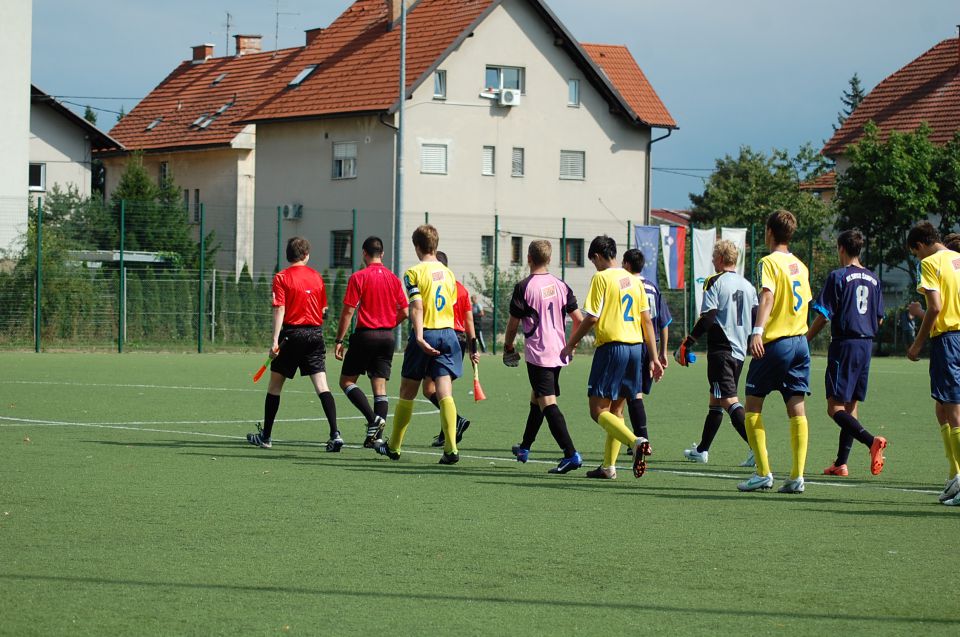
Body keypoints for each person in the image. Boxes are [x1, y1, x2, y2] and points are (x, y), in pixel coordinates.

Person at [560, 235, 664, 480]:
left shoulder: (601, 277)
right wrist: (655, 357)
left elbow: (592, 317)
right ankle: (608, 466)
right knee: (616, 410)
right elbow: (646, 320)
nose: (594, 266)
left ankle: (635, 441)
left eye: (593, 261)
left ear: (597, 256)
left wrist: (571, 343)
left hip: (612, 349)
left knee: (597, 410)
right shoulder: (634, 280)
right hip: (636, 348)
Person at [374, 224, 464, 465]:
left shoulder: (413, 272)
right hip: (448, 334)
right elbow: (451, 303)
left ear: (417, 247)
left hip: (427, 333)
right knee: (444, 391)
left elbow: (416, 306)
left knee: (407, 391)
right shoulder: (449, 273)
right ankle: (451, 449)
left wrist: (421, 336)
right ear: (435, 245)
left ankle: (393, 447)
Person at [739, 210, 812, 493]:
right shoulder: (801, 266)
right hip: (800, 343)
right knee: (796, 407)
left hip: (777, 343)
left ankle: (762, 472)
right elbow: (805, 302)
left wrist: (758, 331)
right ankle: (796, 476)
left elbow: (767, 295)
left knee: (753, 404)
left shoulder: (767, 262)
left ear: (769, 231)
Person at [247, 237, 340, 451]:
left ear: (288, 255)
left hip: (291, 335)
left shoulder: (281, 277)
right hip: (315, 335)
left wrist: (274, 340)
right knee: (322, 386)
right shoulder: (317, 277)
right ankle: (335, 434)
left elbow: (279, 308)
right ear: (306, 255)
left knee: (275, 386)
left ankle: (266, 437)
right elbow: (324, 310)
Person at [806, 230, 887, 477]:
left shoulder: (838, 276)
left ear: (841, 248)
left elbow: (824, 314)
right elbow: (879, 319)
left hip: (844, 345)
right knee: (851, 407)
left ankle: (871, 441)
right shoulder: (874, 278)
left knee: (835, 408)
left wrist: (805, 339)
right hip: (866, 346)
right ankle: (841, 463)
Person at [503, 240, 584, 474]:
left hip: (539, 353)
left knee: (547, 402)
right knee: (537, 398)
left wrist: (508, 346)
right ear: (549, 259)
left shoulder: (524, 287)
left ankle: (571, 454)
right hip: (558, 352)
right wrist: (572, 344)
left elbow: (512, 324)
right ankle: (525, 447)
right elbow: (578, 320)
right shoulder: (561, 285)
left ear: (528, 258)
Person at [675, 239, 757, 466]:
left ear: (721, 258)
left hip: (722, 350)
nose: (712, 261)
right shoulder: (748, 286)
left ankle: (756, 449)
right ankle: (702, 450)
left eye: (714, 257)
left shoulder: (714, 281)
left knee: (728, 400)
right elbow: (756, 315)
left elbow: (708, 317)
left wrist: (688, 342)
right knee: (716, 398)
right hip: (739, 352)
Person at [333, 236, 409, 448]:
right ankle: (375, 438)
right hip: (387, 337)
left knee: (346, 381)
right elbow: (405, 311)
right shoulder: (393, 279)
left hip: (365, 336)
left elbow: (349, 310)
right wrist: (387, 325)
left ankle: (372, 419)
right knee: (380, 386)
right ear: (382, 254)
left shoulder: (359, 277)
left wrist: (339, 339)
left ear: (364, 254)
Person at [905, 221, 960, 505]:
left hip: (948, 340)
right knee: (942, 407)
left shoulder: (930, 263)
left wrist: (917, 342)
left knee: (953, 410)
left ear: (920, 246)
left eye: (916, 253)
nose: (918, 258)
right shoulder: (958, 259)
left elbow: (936, 307)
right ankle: (954, 473)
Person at [621, 248, 671, 456]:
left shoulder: (625, 285)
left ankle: (641, 440)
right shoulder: (652, 287)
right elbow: (664, 321)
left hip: (632, 342)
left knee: (630, 395)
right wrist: (662, 352)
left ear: (626, 265)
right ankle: (632, 440)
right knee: (631, 393)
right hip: (650, 344)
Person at [429, 251, 479, 448]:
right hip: (459, 341)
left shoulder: (435, 286)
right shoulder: (461, 289)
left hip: (442, 337)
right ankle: (446, 431)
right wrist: (473, 349)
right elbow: (469, 322)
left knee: (430, 389)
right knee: (444, 388)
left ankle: (456, 420)